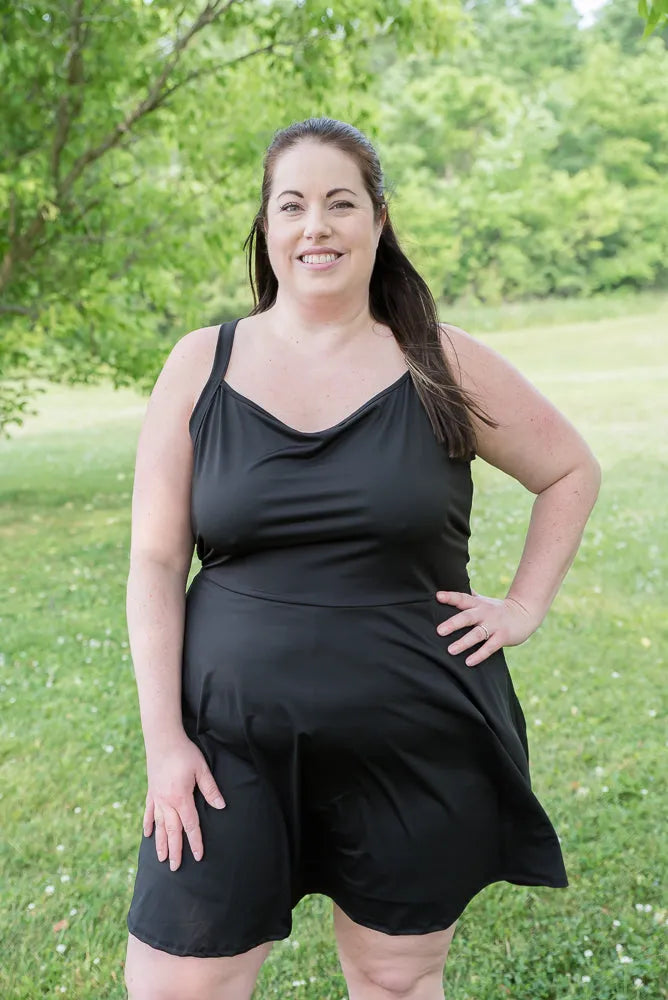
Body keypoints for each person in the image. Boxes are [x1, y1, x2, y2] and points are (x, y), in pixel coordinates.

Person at [123, 116, 601, 1000]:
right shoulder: (201, 364)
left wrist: (524, 607)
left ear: (379, 223)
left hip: (415, 736)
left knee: (394, 978)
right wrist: (165, 744)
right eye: (293, 205)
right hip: (226, 746)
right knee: (176, 984)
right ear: (266, 230)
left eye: (341, 203)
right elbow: (155, 561)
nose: (317, 226)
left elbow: (569, 468)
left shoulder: (439, 359)